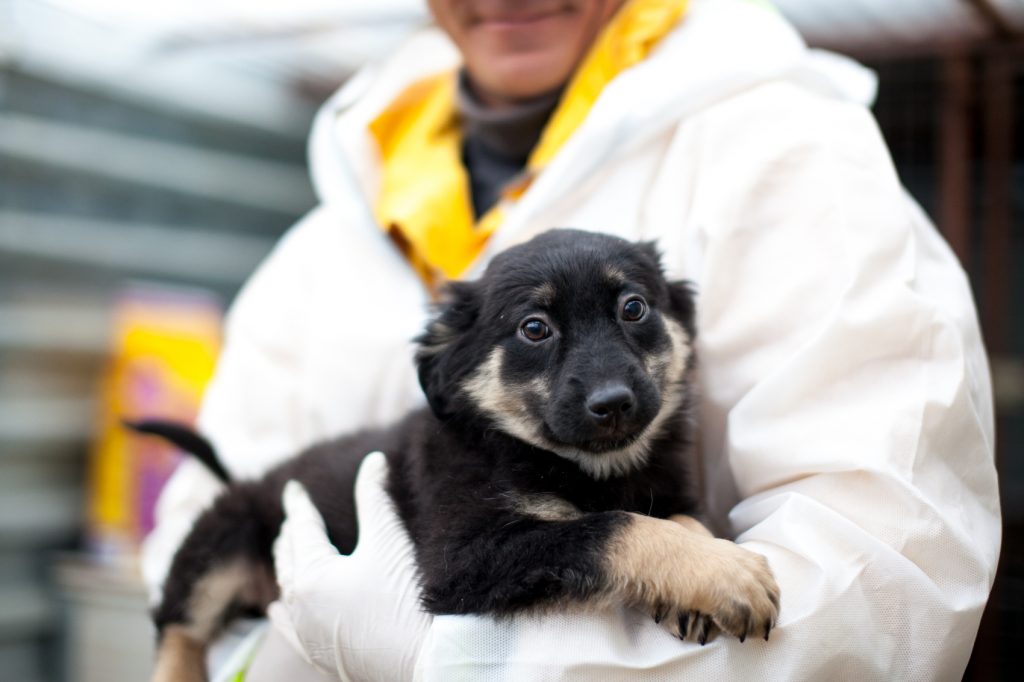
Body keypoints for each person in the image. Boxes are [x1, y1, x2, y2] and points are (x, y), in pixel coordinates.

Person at [142, 0, 1001, 679]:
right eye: (538, 330)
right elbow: (194, 520)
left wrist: (456, 662)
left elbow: (891, 579)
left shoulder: (792, 150)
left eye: (633, 314)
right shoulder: (324, 236)